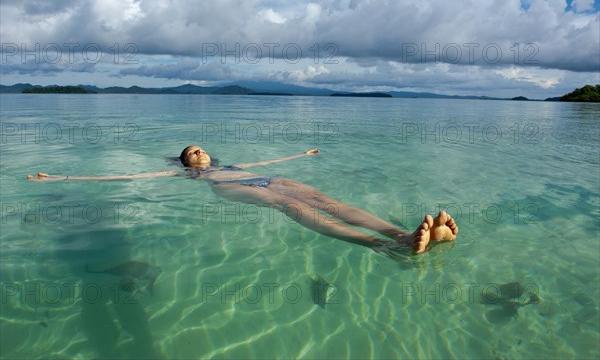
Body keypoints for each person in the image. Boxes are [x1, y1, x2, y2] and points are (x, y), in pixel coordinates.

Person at [28, 145, 458, 255]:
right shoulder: (195, 174)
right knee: (290, 207)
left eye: (201, 150)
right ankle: (386, 247)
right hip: (242, 188)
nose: (199, 154)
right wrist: (60, 176)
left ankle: (403, 235)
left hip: (268, 175)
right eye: (191, 152)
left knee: (326, 199)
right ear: (186, 163)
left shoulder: (231, 163)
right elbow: (131, 175)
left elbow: (270, 159)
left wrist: (302, 155)